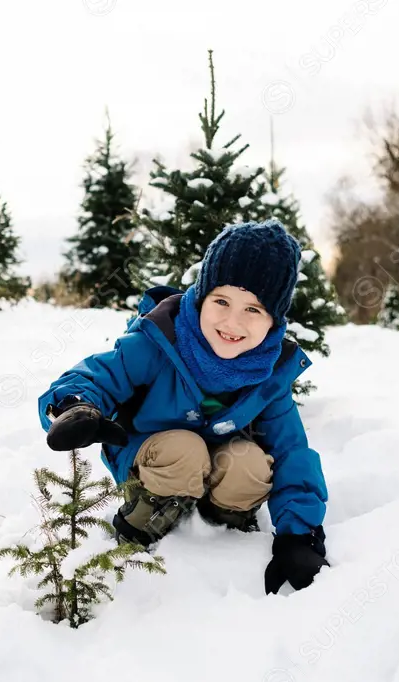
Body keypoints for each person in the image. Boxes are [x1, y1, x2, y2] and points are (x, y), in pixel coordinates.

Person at [37, 219, 329, 594]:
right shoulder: (158, 342)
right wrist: (75, 407)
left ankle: (225, 523)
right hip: (155, 459)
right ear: (201, 296)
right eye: (221, 301)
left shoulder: (269, 374)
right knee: (183, 450)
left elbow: (292, 451)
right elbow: (98, 374)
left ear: (274, 320)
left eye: (253, 310)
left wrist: (298, 536)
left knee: (250, 464)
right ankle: (147, 521)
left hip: (218, 466)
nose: (232, 321)